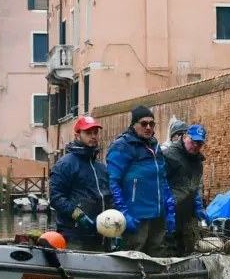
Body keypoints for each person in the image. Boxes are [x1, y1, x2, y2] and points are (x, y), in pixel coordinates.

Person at [106, 105, 176, 255]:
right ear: (134, 124)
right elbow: (112, 182)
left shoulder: (155, 147)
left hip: (158, 216)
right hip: (136, 217)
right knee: (134, 260)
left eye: (152, 124)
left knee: (157, 260)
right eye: (144, 124)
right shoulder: (122, 146)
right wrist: (123, 213)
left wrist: (169, 210)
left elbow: (162, 180)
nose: (148, 127)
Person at [49, 115, 113, 250]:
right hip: (74, 235)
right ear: (77, 135)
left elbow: (108, 198)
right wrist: (79, 215)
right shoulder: (65, 164)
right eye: (88, 133)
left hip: (101, 235)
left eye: (95, 132)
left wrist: (116, 229)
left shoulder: (100, 167)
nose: (93, 136)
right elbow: (56, 198)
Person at [163, 124, 207, 254]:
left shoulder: (197, 162)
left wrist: (197, 206)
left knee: (186, 250)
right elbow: (160, 184)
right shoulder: (169, 155)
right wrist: (168, 209)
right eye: (193, 142)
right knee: (168, 251)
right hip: (169, 213)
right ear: (185, 136)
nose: (195, 146)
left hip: (186, 215)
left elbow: (194, 187)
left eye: (199, 144)